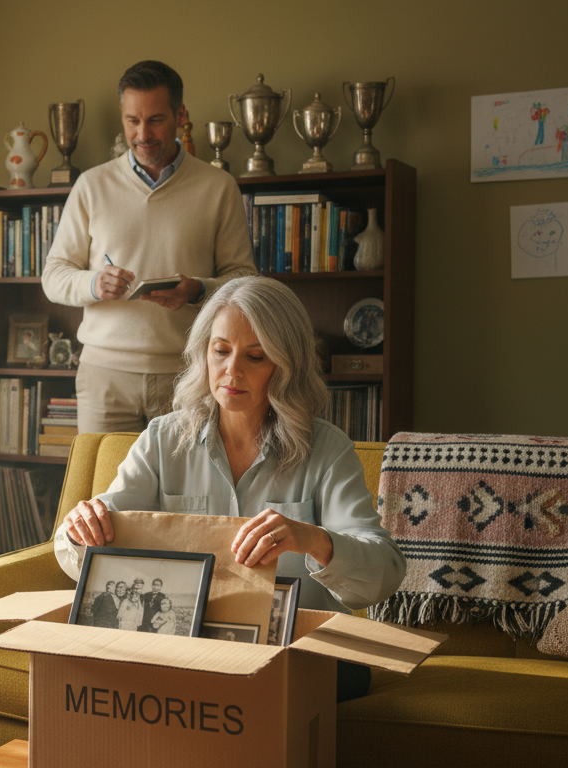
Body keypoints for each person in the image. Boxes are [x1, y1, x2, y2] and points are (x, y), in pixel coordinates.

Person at [54, 275, 406, 700]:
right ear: (203, 353)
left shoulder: (327, 449)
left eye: (255, 357)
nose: (231, 371)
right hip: (189, 650)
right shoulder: (163, 440)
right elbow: (77, 549)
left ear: (285, 365)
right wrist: (81, 529)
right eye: (220, 351)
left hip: (300, 652)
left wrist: (314, 539)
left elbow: (383, 575)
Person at [41, 60, 255, 434]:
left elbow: (244, 280)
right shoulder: (91, 186)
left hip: (188, 375)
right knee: (103, 493)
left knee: (182, 494)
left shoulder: (219, 187)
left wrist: (197, 290)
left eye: (155, 120)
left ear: (180, 114)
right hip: (104, 379)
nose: (142, 133)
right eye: (132, 121)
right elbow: (54, 276)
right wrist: (94, 284)